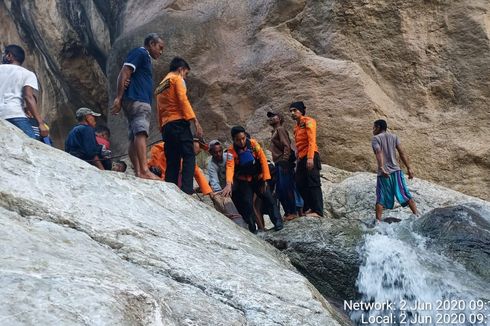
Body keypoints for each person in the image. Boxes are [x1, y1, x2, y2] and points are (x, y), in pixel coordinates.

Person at [111, 33, 164, 180]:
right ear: (152, 44)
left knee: (134, 136)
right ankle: (144, 170)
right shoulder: (141, 52)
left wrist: (121, 96)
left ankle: (138, 172)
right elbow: (125, 71)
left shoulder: (143, 57)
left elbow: (127, 74)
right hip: (138, 100)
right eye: (160, 47)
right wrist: (119, 97)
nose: (161, 52)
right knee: (141, 132)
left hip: (134, 99)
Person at [221, 126, 283, 233]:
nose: (241, 142)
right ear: (233, 140)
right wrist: (228, 184)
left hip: (258, 179)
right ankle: (252, 229)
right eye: (238, 140)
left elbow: (263, 160)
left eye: (243, 138)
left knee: (268, 198)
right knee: (247, 204)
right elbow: (230, 167)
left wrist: (265, 179)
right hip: (245, 181)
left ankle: (278, 222)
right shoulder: (231, 151)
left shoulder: (253, 144)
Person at [156, 57, 203, 194]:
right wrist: (195, 121)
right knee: (189, 155)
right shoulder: (177, 79)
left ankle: (171, 190)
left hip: (166, 126)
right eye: (186, 73)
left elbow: (159, 109)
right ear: (181, 69)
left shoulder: (160, 85)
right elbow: (183, 100)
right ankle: (187, 190)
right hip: (179, 123)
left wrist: (161, 126)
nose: (185, 77)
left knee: (172, 160)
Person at [372, 119, 418, 222]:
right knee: (405, 193)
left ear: (378, 127)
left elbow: (379, 152)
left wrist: (381, 168)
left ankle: (378, 223)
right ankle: (417, 215)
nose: (373, 130)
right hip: (396, 171)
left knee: (381, 197)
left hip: (384, 173)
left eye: (374, 127)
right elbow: (402, 152)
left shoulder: (376, 139)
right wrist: (409, 168)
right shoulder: (394, 137)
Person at [0, 44, 48, 139]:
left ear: (9, 56)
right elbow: (28, 97)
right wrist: (41, 123)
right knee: (32, 145)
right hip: (15, 114)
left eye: (4, 54)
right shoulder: (27, 74)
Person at [289, 101, 324, 217]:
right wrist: (299, 158)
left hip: (311, 155)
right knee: (300, 182)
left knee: (313, 183)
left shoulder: (309, 121)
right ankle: (309, 207)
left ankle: (318, 211)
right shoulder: (296, 127)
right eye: (291, 111)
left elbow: (311, 140)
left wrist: (310, 158)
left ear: (301, 111)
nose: (292, 113)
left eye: (295, 110)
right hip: (302, 157)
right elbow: (298, 145)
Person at [267, 110, 303, 221]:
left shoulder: (280, 129)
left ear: (280, 118)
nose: (271, 118)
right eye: (270, 117)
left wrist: (285, 160)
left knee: (286, 188)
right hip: (278, 162)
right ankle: (288, 212)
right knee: (281, 189)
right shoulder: (274, 131)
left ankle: (292, 212)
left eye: (274, 116)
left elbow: (286, 145)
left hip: (283, 163)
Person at [147, 139, 212, 196]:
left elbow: (197, 173)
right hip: (156, 178)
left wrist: (209, 192)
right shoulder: (162, 149)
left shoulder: (186, 159)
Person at [207, 139, 247, 228]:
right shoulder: (211, 165)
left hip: (236, 185)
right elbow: (214, 181)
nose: (218, 154)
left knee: (244, 205)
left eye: (220, 151)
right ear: (211, 153)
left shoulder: (229, 156)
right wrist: (221, 194)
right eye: (215, 152)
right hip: (224, 190)